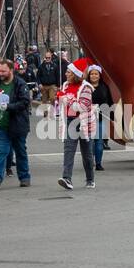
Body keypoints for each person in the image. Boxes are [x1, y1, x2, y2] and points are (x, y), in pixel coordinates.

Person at [0, 59, 31, 190]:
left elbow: (25, 102)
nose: (1, 73)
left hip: (17, 125)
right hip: (0, 125)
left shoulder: (20, 84)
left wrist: (9, 107)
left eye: (3, 71)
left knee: (20, 151)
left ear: (11, 70)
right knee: (0, 151)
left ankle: (24, 177)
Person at [57, 63, 96, 191]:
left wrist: (68, 99)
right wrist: (61, 98)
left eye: (69, 72)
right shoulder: (65, 85)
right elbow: (61, 101)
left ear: (76, 74)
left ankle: (90, 179)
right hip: (70, 121)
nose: (66, 74)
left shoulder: (86, 88)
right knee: (68, 150)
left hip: (83, 123)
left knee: (87, 154)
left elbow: (82, 107)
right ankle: (67, 178)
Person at [88, 66, 113, 171]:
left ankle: (98, 163)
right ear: (89, 76)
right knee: (90, 142)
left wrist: (111, 116)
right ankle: (90, 161)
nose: (94, 76)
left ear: (99, 76)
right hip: (88, 118)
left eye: (96, 74)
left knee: (99, 142)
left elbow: (110, 102)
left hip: (101, 118)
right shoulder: (85, 87)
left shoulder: (104, 87)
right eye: (92, 74)